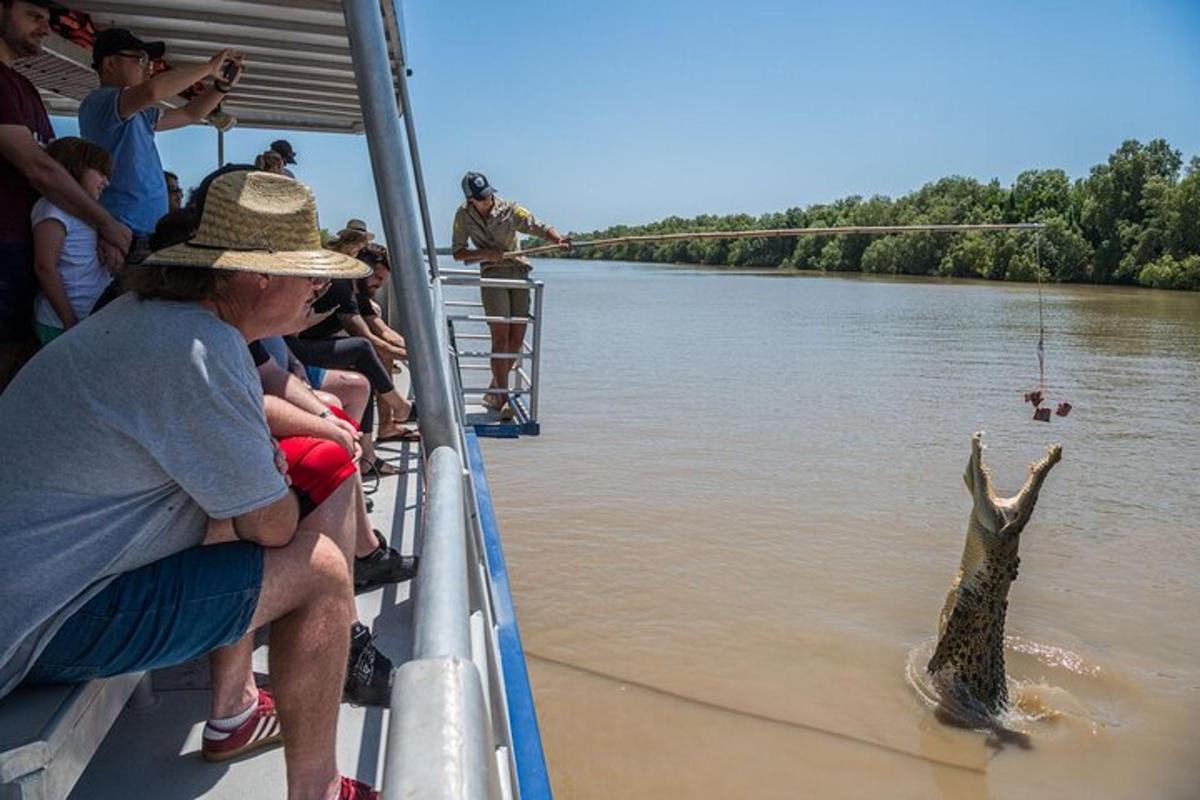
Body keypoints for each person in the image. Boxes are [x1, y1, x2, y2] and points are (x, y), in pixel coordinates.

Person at [0, 170, 386, 800]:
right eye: (312, 278)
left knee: (234, 505)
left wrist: (261, 475)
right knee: (320, 571)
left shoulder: (156, 316)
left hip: (39, 584)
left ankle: (236, 708)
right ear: (260, 276)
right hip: (38, 622)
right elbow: (273, 526)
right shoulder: (195, 350)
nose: (317, 294)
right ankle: (318, 790)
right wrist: (265, 479)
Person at [0, 0, 131, 390]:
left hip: (18, 241)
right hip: (4, 243)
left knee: (20, 356)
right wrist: (105, 224)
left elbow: (51, 162)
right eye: (34, 16)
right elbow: (37, 166)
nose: (45, 28)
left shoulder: (21, 86)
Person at [79, 27, 244, 243]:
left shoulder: (138, 113)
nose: (148, 69)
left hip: (147, 230)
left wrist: (220, 88)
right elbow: (152, 91)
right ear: (109, 63)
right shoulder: (100, 102)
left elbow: (189, 113)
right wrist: (208, 68)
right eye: (140, 60)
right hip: (125, 231)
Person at [451, 171, 569, 419]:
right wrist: (485, 254)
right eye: (481, 198)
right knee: (500, 339)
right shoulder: (462, 216)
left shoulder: (509, 209)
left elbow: (537, 225)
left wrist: (558, 239)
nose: (487, 200)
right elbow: (458, 253)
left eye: (488, 195)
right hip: (493, 274)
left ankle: (495, 388)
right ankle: (503, 398)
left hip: (518, 272)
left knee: (517, 338)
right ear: (470, 199)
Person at [30, 137, 114, 343]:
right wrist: (69, 320)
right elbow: (44, 267)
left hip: (86, 316)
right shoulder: (52, 209)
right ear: (73, 168)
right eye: (100, 172)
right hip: (62, 322)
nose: (106, 181)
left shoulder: (83, 213)